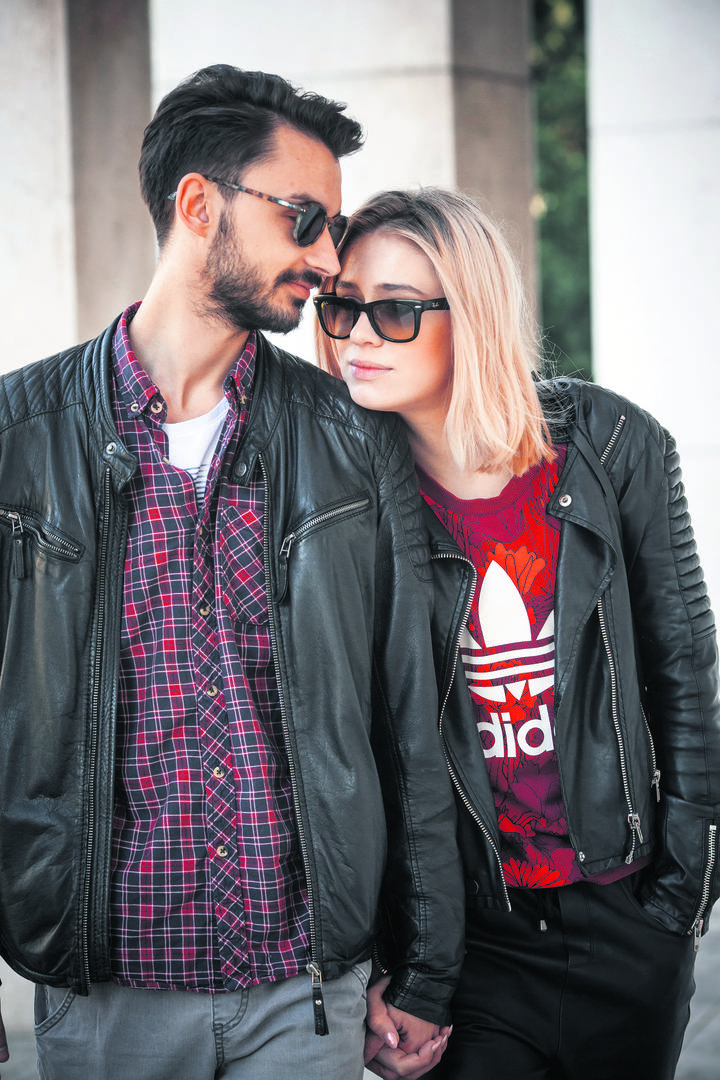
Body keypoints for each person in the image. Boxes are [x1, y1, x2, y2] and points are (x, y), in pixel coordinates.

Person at [0, 70, 468, 1080]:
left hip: (307, 998)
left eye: (334, 228)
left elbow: (408, 719)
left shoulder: (353, 439)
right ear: (199, 204)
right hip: (105, 999)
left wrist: (426, 968)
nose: (328, 259)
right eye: (305, 220)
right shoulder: (17, 439)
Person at [315, 186, 720, 1080]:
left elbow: (685, 677)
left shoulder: (610, 447)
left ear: (474, 313)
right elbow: (361, 743)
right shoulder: (350, 501)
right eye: (341, 307)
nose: (357, 337)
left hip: (626, 917)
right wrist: (407, 957)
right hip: (470, 936)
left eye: (395, 311)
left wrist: (681, 900)